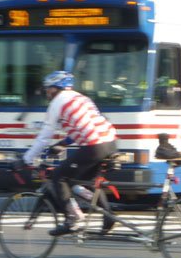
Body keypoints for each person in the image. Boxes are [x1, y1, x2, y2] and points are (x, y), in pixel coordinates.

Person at [23, 71, 118, 236]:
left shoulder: (57, 103)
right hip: (110, 142)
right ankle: (108, 216)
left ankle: (72, 220)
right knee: (84, 181)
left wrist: (26, 159)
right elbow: (83, 126)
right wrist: (62, 144)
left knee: (58, 177)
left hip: (94, 146)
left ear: (56, 88)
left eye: (48, 89)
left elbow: (44, 136)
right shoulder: (81, 98)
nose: (47, 92)